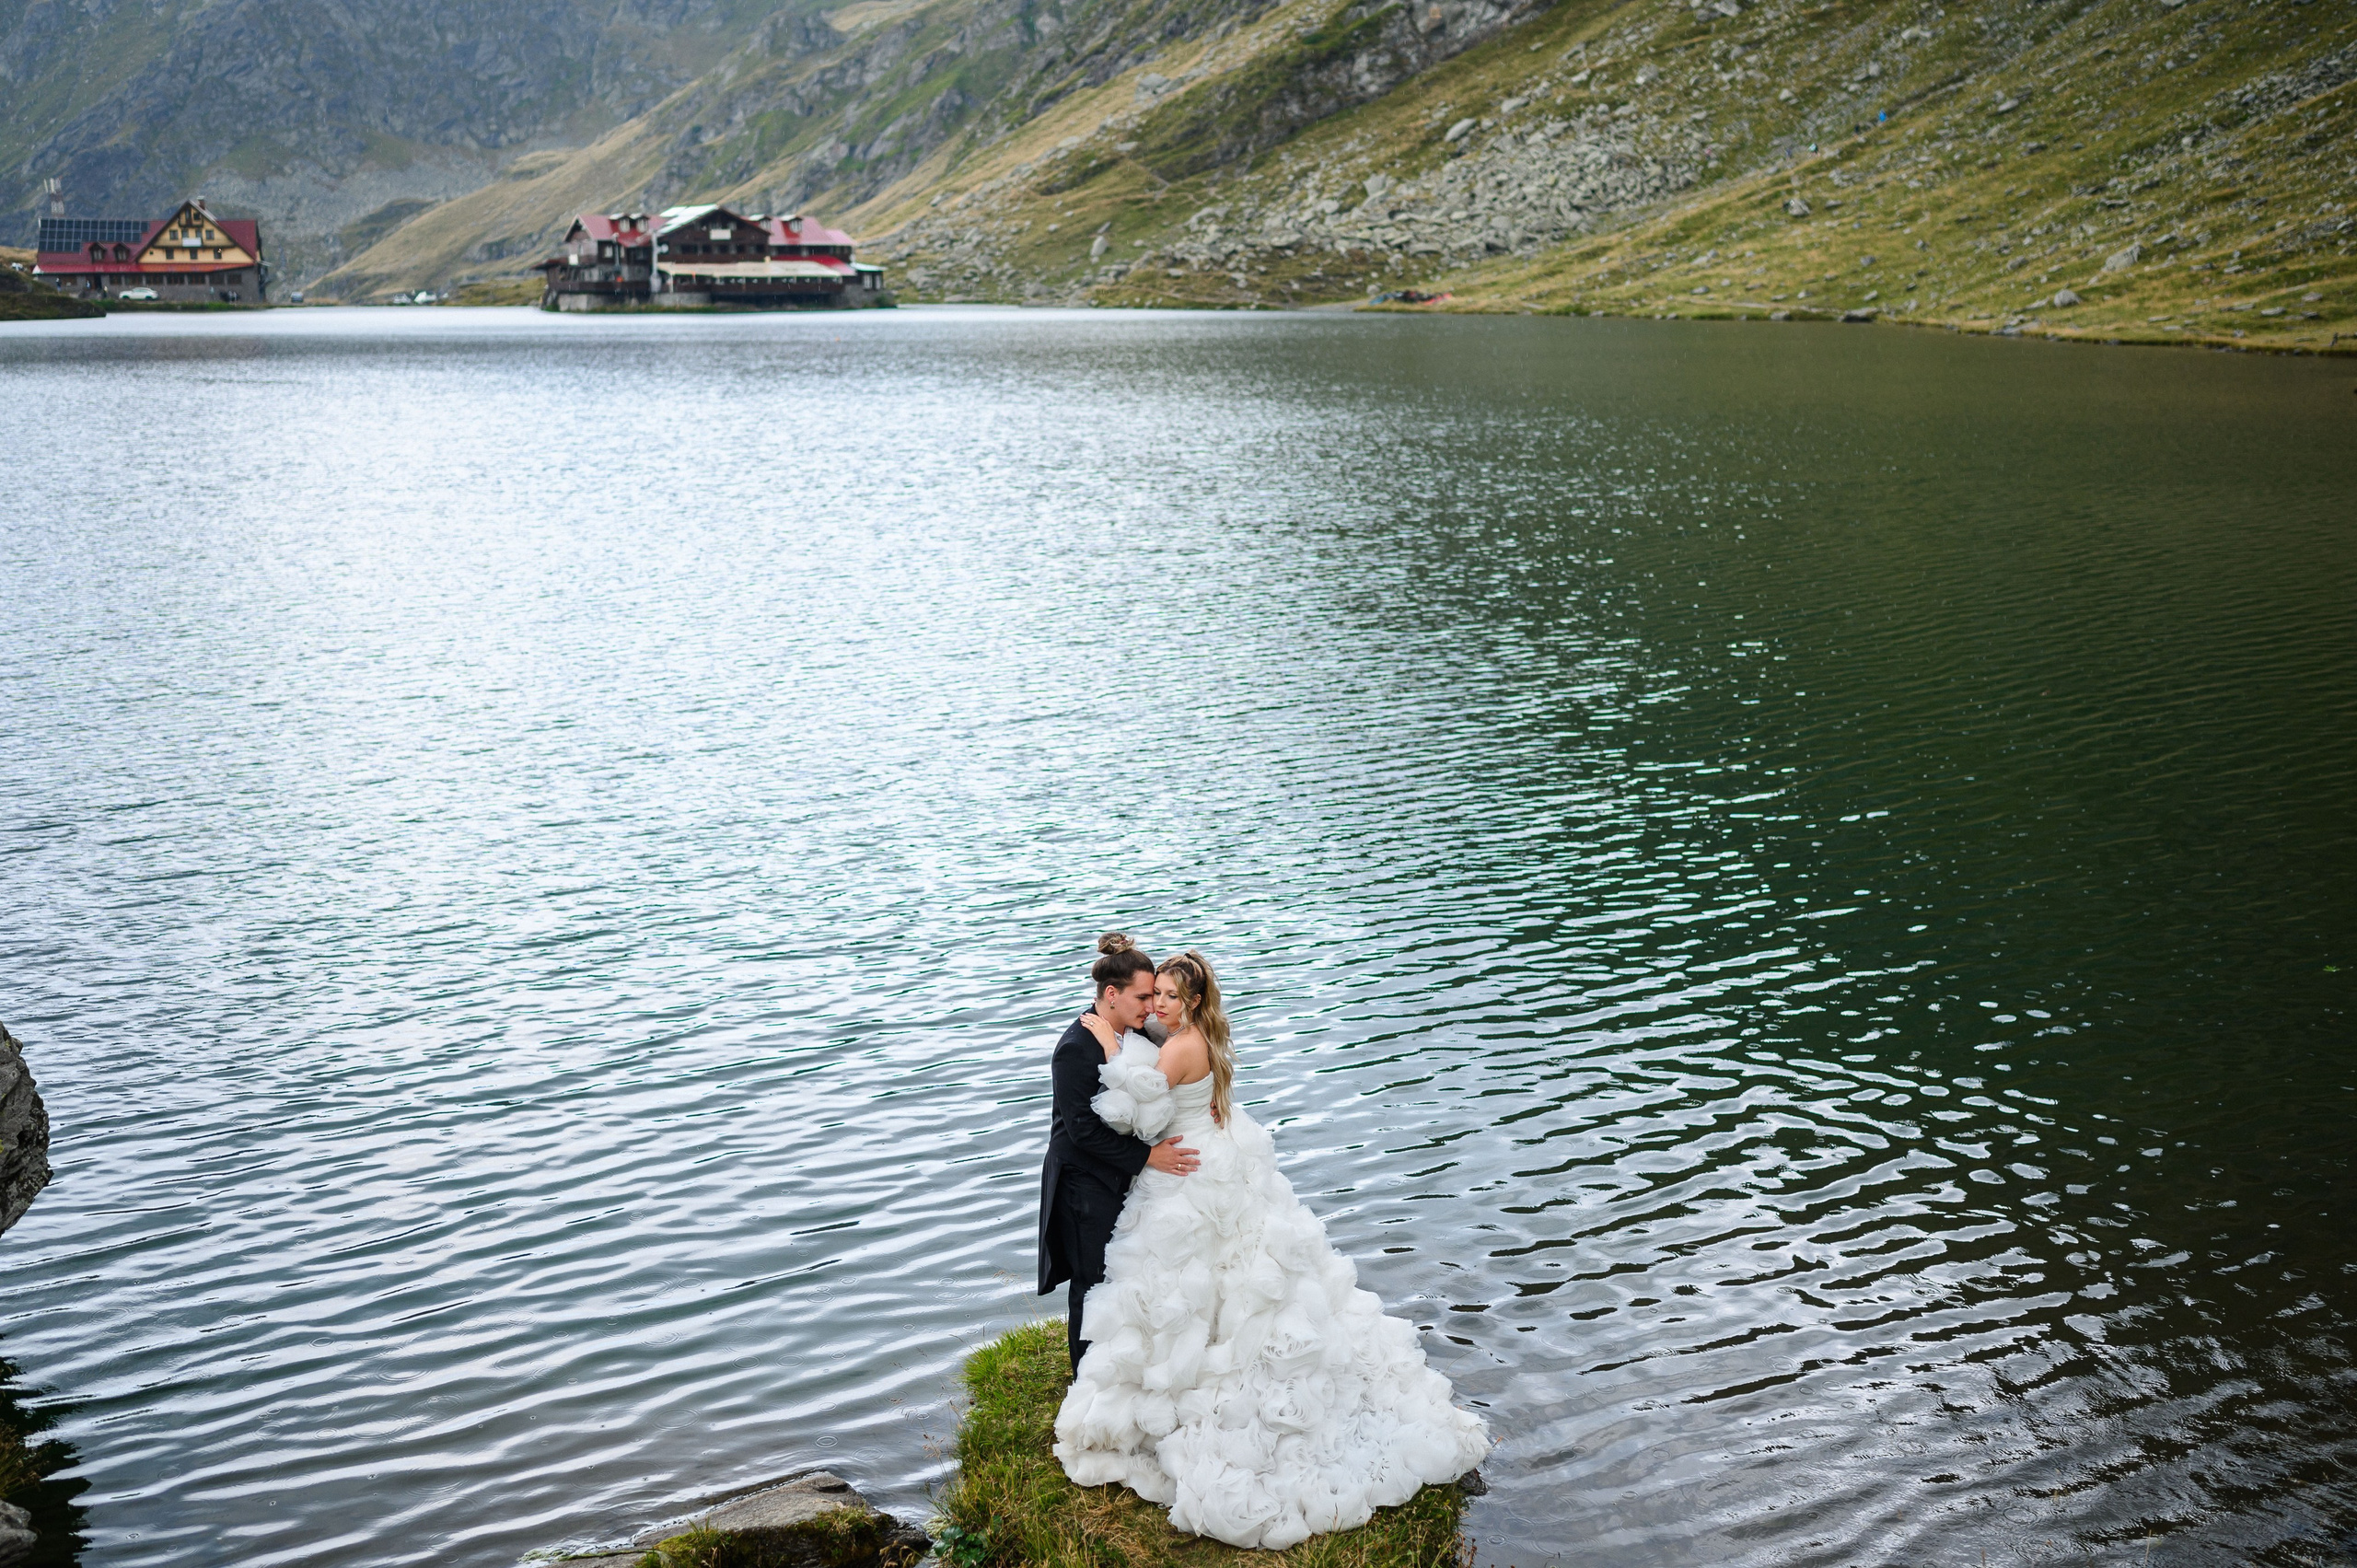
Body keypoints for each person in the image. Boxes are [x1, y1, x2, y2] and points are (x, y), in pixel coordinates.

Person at [1053, 949, 1490, 1550]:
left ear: (1194, 1001)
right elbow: (1158, 1044)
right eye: (1153, 995)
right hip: (1216, 1159)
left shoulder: (1177, 1049)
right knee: (1223, 1274)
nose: (1157, 1006)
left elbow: (1129, 1117)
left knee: (1186, 1278)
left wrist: (1109, 1040)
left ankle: (1182, 1390)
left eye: (1169, 996)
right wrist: (1131, 1027)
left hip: (1187, 1173)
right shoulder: (1194, 1035)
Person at [1039, 934, 1200, 1373]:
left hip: (1118, 1178)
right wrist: (1148, 1157)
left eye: (1154, 996)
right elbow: (1082, 1131)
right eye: (1143, 997)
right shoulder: (1075, 1049)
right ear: (1112, 994)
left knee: (1120, 1276)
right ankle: (1084, 1382)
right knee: (1090, 1285)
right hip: (1083, 1184)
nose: (1151, 1007)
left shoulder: (1135, 1032)